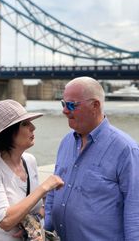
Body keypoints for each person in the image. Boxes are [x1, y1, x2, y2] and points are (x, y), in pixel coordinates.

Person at [44, 76, 139, 241]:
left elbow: (135, 211)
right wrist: (42, 227)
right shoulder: (66, 142)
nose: (65, 111)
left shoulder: (126, 150)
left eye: (72, 105)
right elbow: (54, 190)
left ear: (95, 105)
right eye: (63, 104)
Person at [0, 99, 64, 241]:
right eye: (25, 124)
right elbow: (5, 221)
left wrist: (30, 224)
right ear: (9, 132)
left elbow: (38, 209)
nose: (33, 127)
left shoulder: (30, 161)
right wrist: (44, 188)